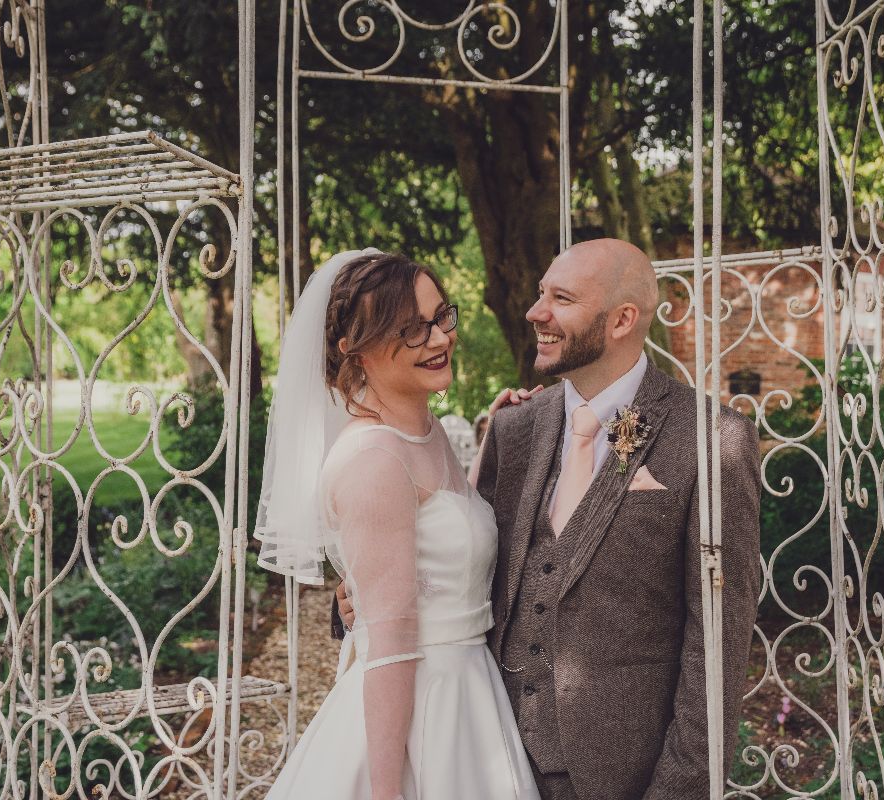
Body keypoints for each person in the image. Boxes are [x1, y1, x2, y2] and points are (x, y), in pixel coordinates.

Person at [339, 239, 762, 800]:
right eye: (541, 293)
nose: (535, 312)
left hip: (623, 775)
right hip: (483, 750)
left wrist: (679, 788)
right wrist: (360, 600)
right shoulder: (514, 429)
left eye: (561, 299)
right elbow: (461, 562)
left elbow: (717, 645)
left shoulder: (711, 439)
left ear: (621, 320)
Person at [256, 249, 540, 800]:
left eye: (440, 317)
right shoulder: (374, 460)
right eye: (410, 330)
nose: (438, 339)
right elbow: (389, 647)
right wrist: (387, 790)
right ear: (354, 351)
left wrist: (493, 445)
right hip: (426, 708)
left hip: (469, 691)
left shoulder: (422, 430)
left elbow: (441, 527)